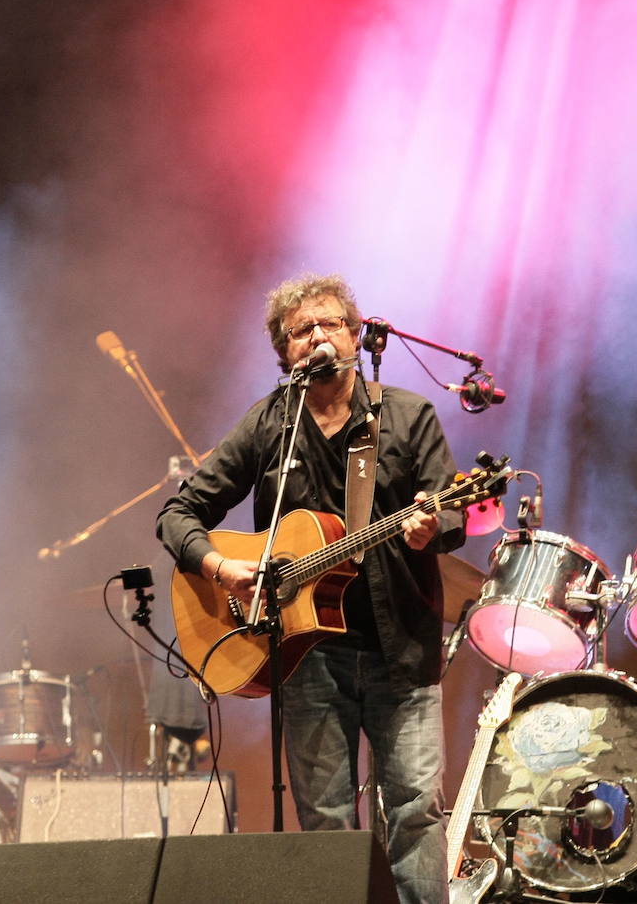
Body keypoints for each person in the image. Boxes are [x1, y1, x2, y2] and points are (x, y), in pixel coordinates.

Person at [156, 274, 465, 904]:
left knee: (413, 812)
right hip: (304, 658)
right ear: (284, 354)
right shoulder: (271, 425)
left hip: (400, 650)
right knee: (325, 822)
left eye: (328, 324)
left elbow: (453, 514)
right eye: (301, 331)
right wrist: (220, 567)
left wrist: (429, 528)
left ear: (354, 335)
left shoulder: (406, 417)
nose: (316, 337)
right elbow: (177, 515)